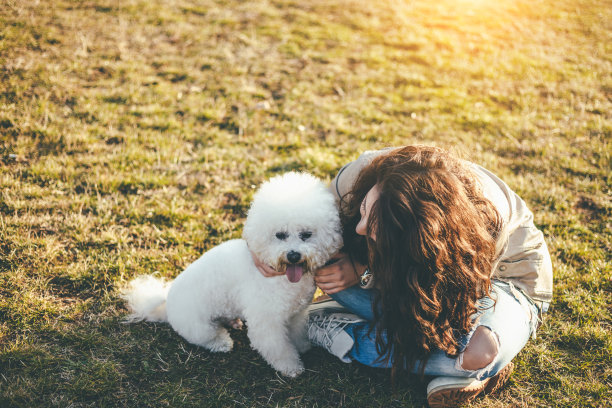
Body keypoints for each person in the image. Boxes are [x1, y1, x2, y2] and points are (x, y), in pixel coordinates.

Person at [252, 145, 553, 407]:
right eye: (365, 210)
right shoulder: (360, 174)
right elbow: (301, 226)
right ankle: (455, 370)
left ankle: (328, 328)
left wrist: (366, 273)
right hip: (399, 280)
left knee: (479, 352)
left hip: (496, 279)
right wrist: (259, 248)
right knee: (322, 263)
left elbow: (439, 303)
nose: (359, 228)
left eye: (374, 230)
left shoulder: (479, 224)